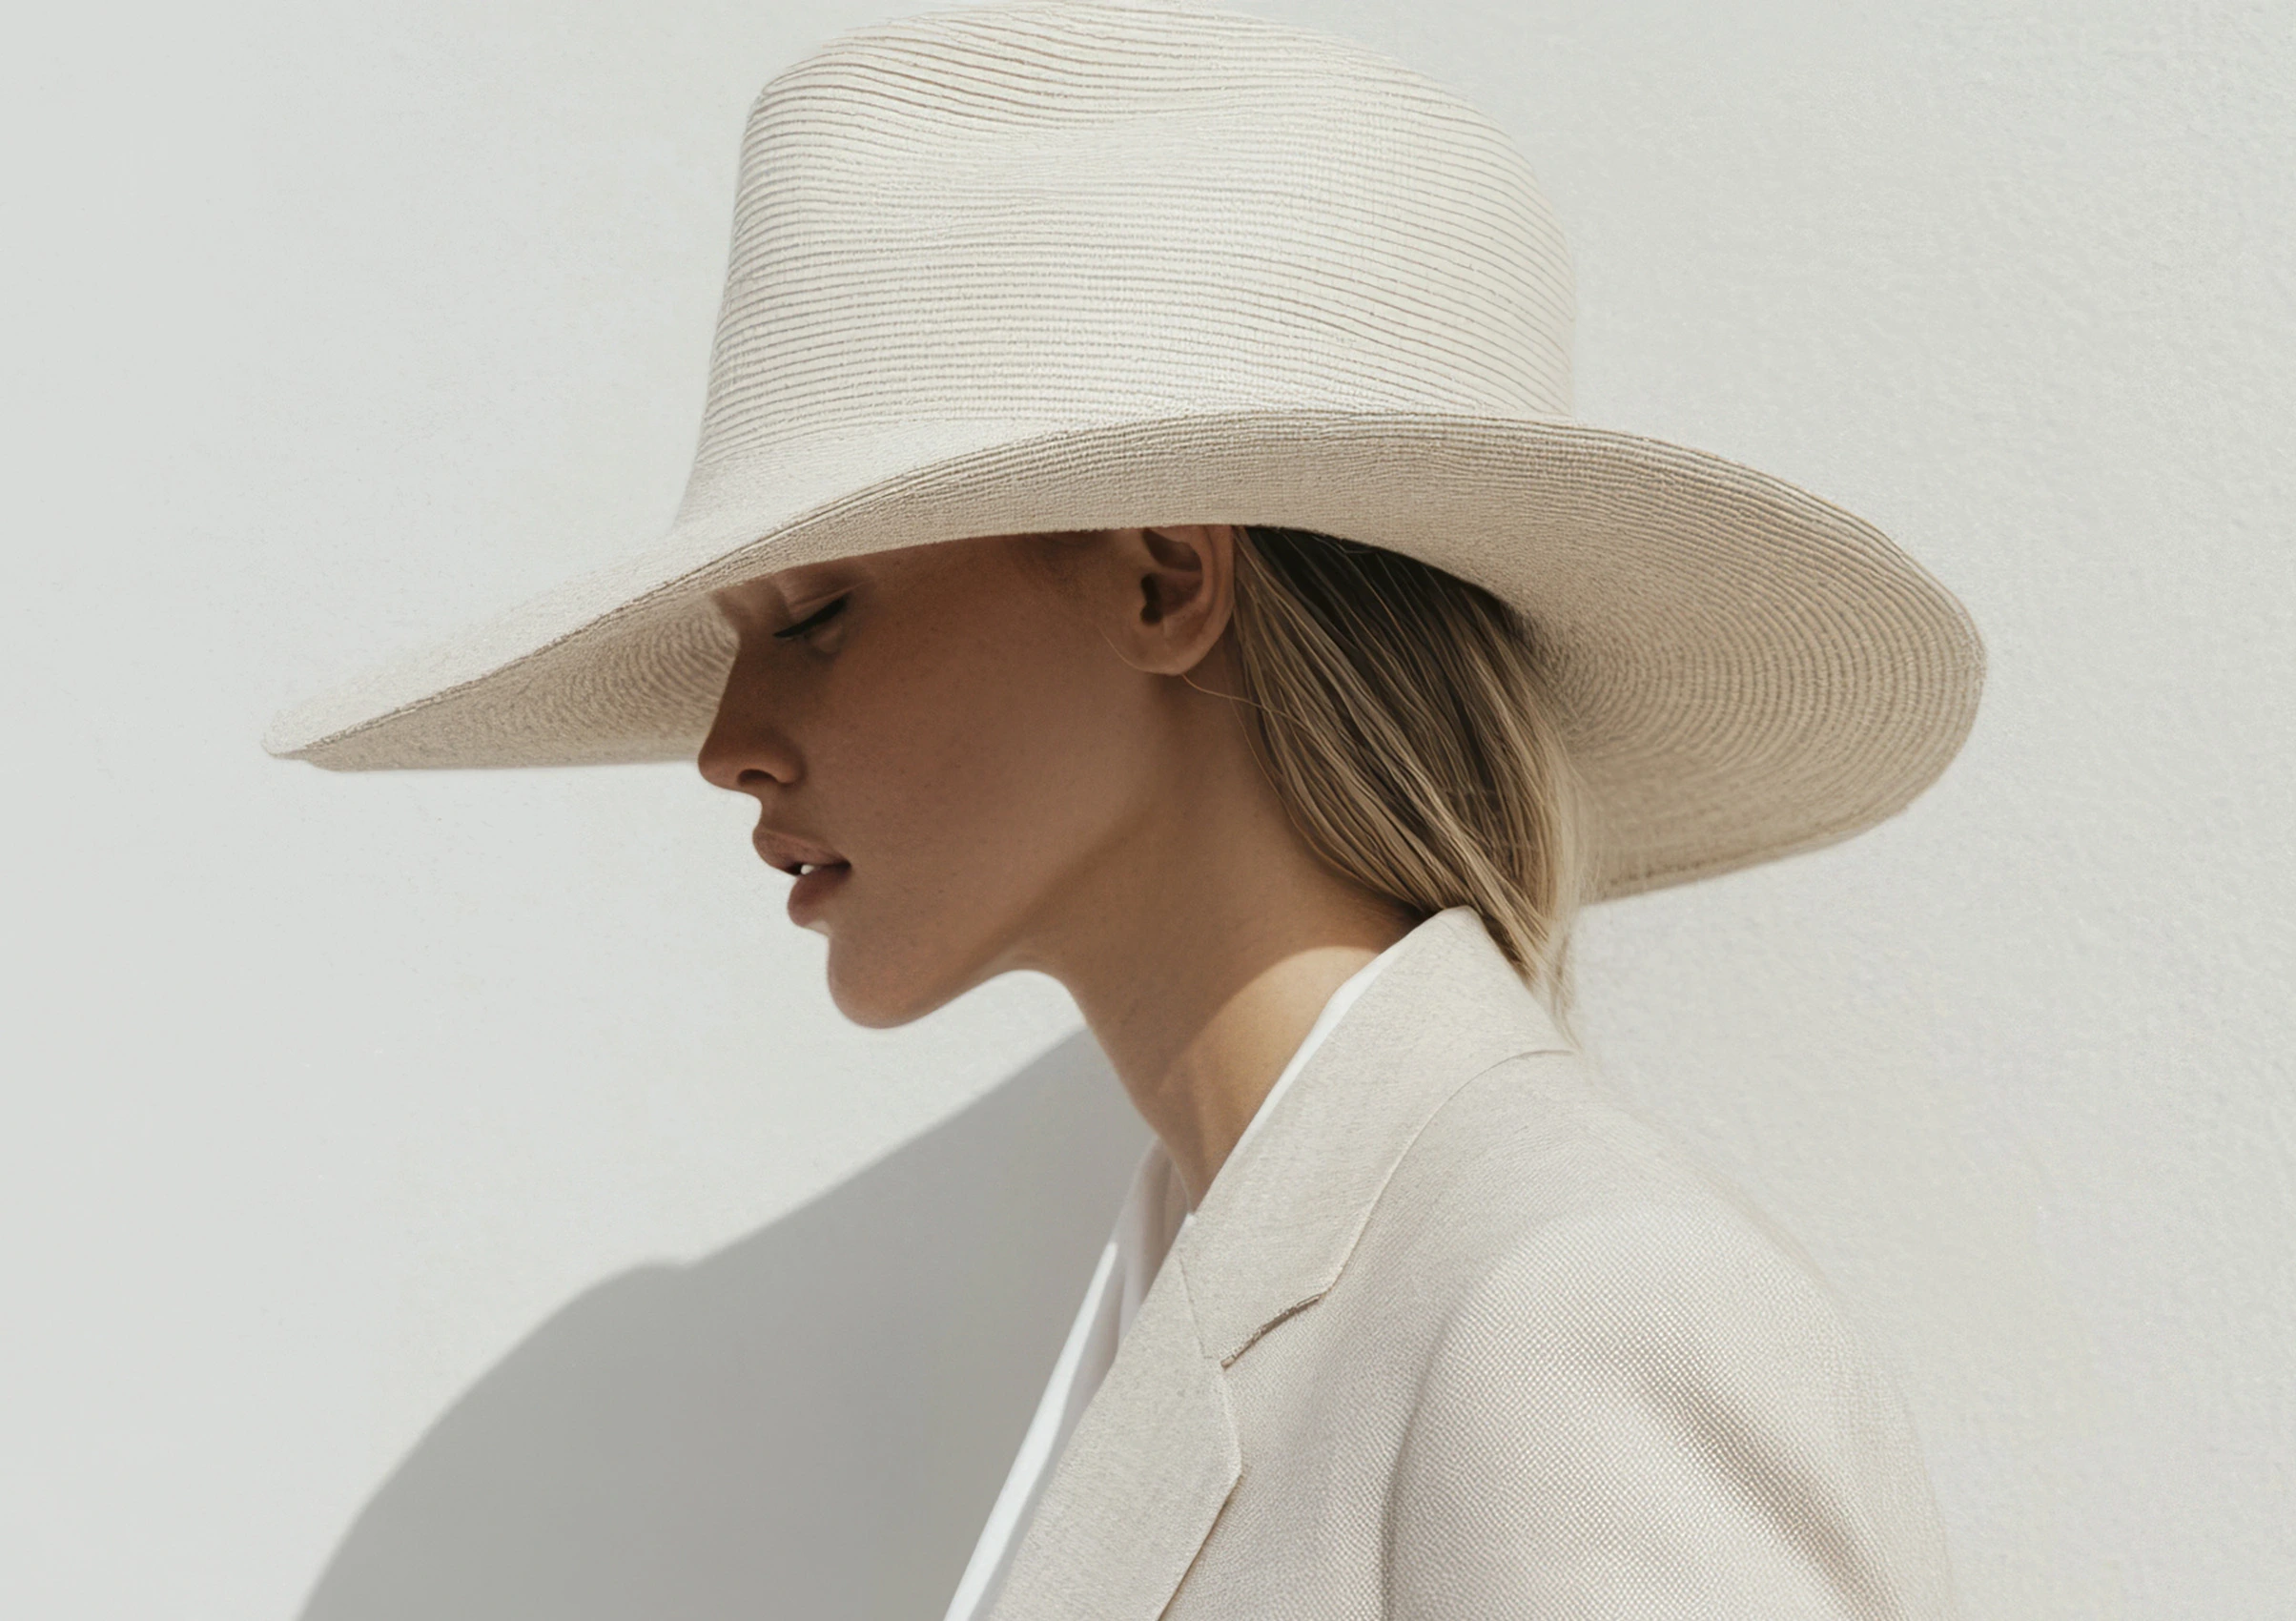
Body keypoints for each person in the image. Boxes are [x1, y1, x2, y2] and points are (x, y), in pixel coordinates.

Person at [266, 2, 1984, 1616]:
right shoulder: (1199, 1290)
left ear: (1165, 580)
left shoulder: (1574, 1316)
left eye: (817, 615)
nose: (728, 745)